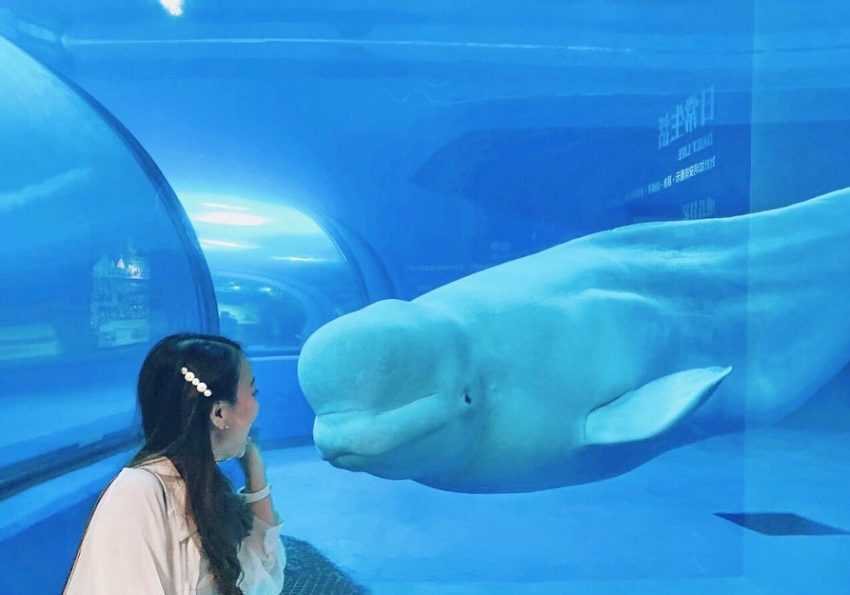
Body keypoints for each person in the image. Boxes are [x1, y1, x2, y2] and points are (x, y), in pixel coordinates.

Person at [63, 333, 286, 594]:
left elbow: (262, 580)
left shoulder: (201, 488)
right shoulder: (137, 493)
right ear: (219, 413)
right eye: (253, 392)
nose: (258, 405)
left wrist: (254, 470)